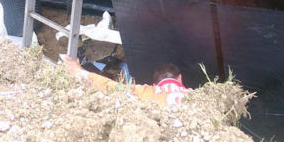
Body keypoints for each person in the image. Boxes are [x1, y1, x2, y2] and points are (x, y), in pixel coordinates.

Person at [63, 56, 191, 106]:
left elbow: (113, 88)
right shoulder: (198, 96)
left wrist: (79, 72)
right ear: (179, 78)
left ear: (154, 84)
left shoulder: (148, 92)